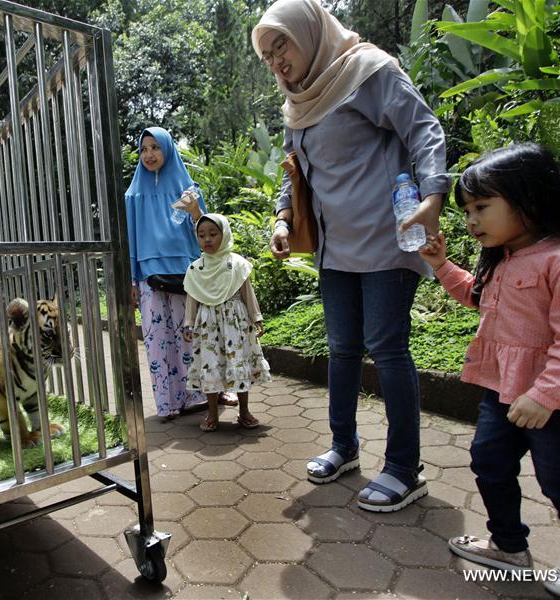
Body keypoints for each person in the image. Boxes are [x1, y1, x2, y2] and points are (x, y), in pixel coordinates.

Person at [252, 0, 450, 511]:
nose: (276, 61)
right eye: (267, 56)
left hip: (387, 237)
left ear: (309, 32)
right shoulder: (298, 102)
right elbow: (294, 169)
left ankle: (404, 468)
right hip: (335, 248)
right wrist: (282, 218)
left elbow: (423, 128)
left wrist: (433, 195)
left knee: (386, 347)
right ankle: (344, 446)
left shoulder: (367, 71)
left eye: (281, 45)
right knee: (342, 349)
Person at [419, 143, 560, 599]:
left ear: (530, 198)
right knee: (489, 461)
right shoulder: (505, 258)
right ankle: (508, 547)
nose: (472, 220)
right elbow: (477, 296)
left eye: (482, 207)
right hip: (504, 391)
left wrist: (544, 395)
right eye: (467, 211)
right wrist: (441, 266)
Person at [126, 127, 241, 419]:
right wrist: (131, 280)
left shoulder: (188, 189)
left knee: (196, 336)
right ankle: (169, 403)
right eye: (144, 149)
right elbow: (130, 242)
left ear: (168, 149)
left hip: (186, 273)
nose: (149, 154)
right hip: (149, 276)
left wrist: (195, 211)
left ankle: (209, 392)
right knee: (157, 341)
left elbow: (206, 233)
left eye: (155, 147)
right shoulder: (133, 195)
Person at [181, 213, 270, 432]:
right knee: (210, 365)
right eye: (202, 235)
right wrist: (188, 323)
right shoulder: (196, 269)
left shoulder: (237, 264)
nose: (207, 239)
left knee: (238, 363)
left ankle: (244, 411)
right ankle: (212, 413)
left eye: (213, 234)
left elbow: (247, 293)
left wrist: (256, 318)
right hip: (208, 324)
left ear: (225, 234)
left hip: (235, 323)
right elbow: (192, 297)